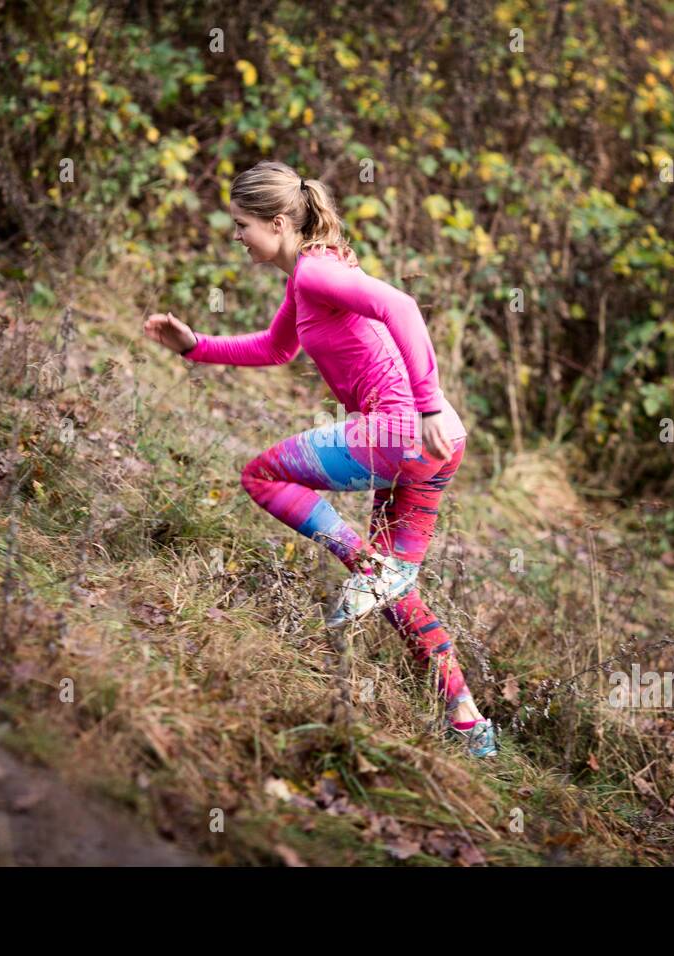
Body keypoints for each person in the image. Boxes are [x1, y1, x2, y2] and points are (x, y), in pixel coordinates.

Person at [142, 161, 495, 759]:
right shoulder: (308, 278)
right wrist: (197, 345)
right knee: (393, 592)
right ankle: (468, 720)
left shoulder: (315, 272)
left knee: (261, 474)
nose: (236, 237)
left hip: (405, 430)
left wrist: (428, 403)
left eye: (241, 225)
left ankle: (369, 566)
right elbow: (277, 348)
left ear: (278, 223)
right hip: (436, 444)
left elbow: (403, 307)